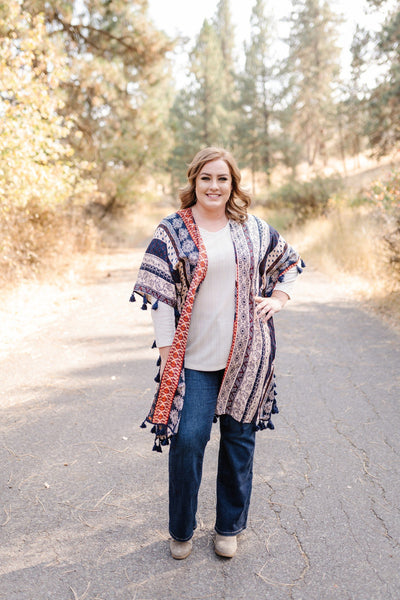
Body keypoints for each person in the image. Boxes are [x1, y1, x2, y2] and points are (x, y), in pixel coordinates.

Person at [130, 147, 304, 560]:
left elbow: (290, 263)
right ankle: (181, 530)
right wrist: (169, 354)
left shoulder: (253, 229)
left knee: (239, 441)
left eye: (222, 179)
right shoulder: (172, 231)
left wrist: (278, 298)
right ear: (194, 181)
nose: (214, 186)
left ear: (232, 184)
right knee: (188, 441)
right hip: (193, 359)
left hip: (247, 356)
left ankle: (229, 528)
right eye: (206, 178)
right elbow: (160, 298)